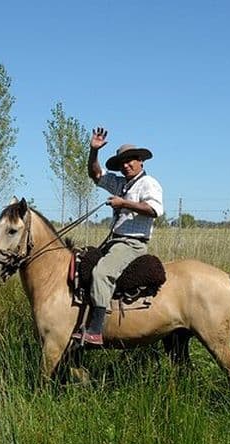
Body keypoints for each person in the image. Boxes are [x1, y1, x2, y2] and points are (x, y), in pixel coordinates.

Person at [72, 127, 164, 345]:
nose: (126, 165)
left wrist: (124, 203)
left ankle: (95, 330)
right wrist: (93, 151)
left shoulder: (148, 183)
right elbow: (96, 174)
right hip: (114, 241)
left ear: (141, 161)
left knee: (102, 273)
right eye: (122, 162)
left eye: (131, 160)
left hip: (132, 244)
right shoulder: (121, 183)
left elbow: (153, 210)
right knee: (82, 264)